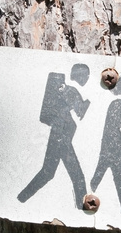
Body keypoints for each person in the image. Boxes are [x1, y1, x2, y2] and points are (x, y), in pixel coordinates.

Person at [17, 63, 90, 209]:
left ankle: (21, 199)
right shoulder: (64, 91)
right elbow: (46, 116)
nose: (86, 79)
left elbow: (78, 111)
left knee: (48, 172)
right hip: (60, 136)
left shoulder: (68, 92)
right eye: (84, 76)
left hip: (61, 135)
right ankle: (83, 210)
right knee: (75, 175)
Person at [90, 74, 121, 215]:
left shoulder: (115, 103)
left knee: (101, 177)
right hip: (114, 145)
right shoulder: (119, 105)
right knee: (119, 179)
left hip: (109, 144)